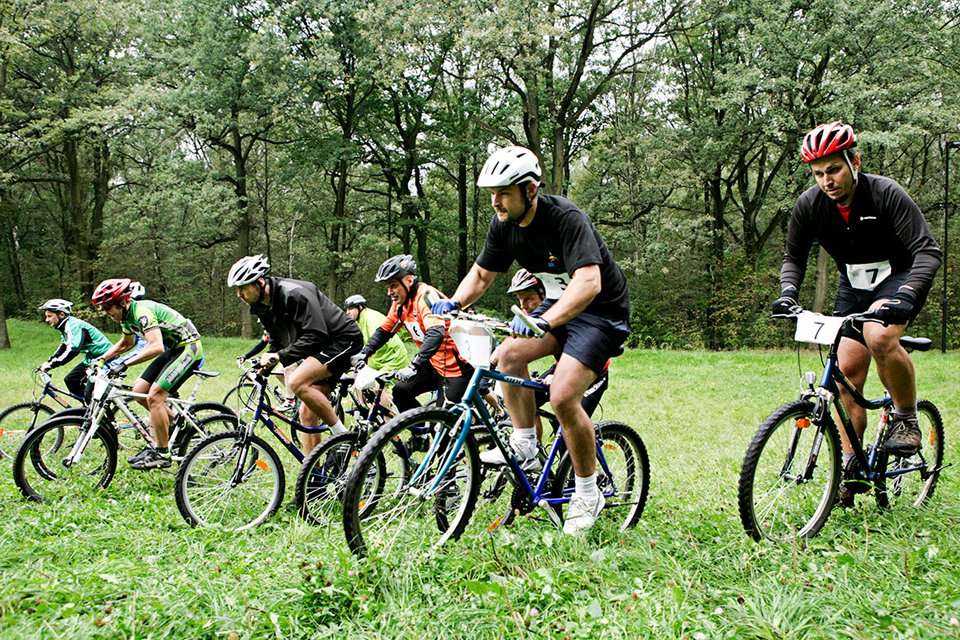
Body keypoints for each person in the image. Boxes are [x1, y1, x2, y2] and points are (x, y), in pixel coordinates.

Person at [432, 145, 631, 535]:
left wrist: (546, 321)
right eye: (491, 193)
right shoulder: (503, 224)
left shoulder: (566, 219)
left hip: (600, 312)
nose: (495, 201)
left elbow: (589, 283)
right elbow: (482, 275)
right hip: (558, 305)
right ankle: (525, 442)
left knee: (561, 396)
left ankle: (588, 492)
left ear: (530, 189)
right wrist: (453, 302)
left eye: (504, 192)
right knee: (507, 355)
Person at [771, 121, 942, 504]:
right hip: (854, 284)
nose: (826, 180)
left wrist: (908, 295)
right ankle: (852, 465)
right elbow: (793, 258)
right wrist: (787, 293)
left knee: (880, 336)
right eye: (818, 174)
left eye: (833, 169)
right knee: (845, 371)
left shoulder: (885, 194)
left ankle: (906, 417)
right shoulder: (810, 206)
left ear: (855, 162)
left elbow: (927, 251)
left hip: (897, 278)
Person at [228, 254, 363, 454]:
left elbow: (316, 333)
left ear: (259, 282)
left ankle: (345, 439)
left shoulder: (294, 293)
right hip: (320, 347)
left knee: (296, 381)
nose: (239, 294)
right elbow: (276, 339)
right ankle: (314, 477)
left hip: (342, 340)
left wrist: (280, 357)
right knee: (306, 415)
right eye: (236, 290)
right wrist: (268, 362)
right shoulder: (261, 306)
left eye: (243, 288)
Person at [93, 278, 205, 470]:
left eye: (108, 307)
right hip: (174, 349)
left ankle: (162, 453)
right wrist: (102, 359)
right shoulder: (126, 317)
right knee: (139, 391)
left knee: (155, 396)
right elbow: (127, 343)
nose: (106, 313)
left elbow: (156, 346)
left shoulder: (141, 312)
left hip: (189, 348)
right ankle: (177, 424)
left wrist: (124, 364)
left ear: (122, 302)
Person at [350, 255, 472, 412]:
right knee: (401, 392)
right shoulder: (400, 304)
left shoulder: (425, 296)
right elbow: (384, 331)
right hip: (434, 363)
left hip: (456, 366)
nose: (389, 292)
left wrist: (414, 365)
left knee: (447, 426)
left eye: (393, 285)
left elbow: (436, 333)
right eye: (388, 287)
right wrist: (364, 353)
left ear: (408, 280)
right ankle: (420, 433)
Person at [37, 299, 112, 399]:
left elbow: (73, 349)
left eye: (49, 316)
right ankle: (89, 410)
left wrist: (52, 365)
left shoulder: (73, 325)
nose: (46, 320)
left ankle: (97, 412)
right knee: (71, 380)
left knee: (92, 393)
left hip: (106, 357)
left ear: (61, 314)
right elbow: (63, 347)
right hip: (92, 358)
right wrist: (49, 361)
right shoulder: (65, 327)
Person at [344, 294, 409, 393]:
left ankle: (387, 409)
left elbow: (378, 342)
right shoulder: (359, 321)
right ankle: (370, 408)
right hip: (379, 360)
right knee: (359, 383)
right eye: (347, 309)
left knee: (378, 388)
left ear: (360, 307)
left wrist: (364, 358)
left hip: (392, 358)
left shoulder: (371, 318)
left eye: (351, 308)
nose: (347, 312)